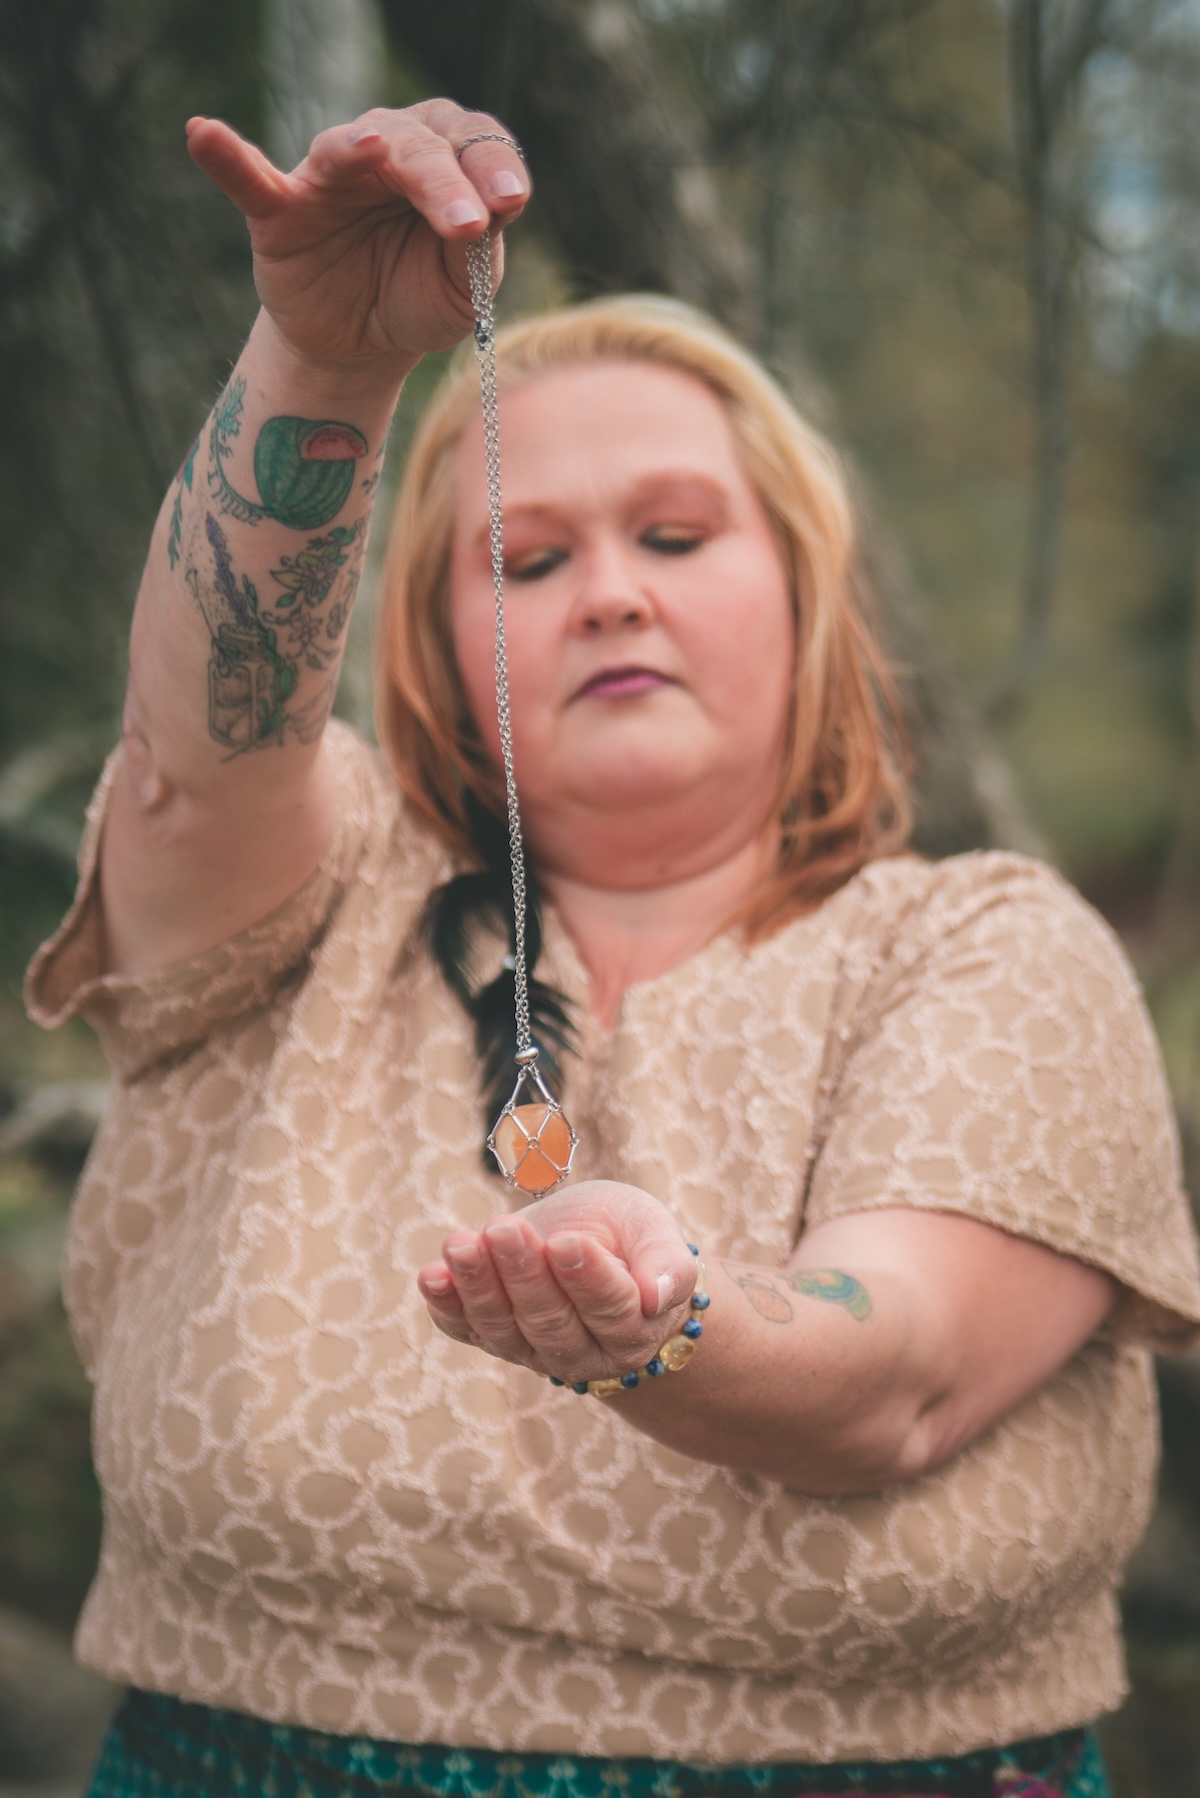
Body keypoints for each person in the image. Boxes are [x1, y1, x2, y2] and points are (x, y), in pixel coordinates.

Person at [26, 99, 1200, 1798]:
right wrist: (321, 359)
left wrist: (666, 1315)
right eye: (527, 553)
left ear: (807, 600)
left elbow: (896, 1381)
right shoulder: (311, 898)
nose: (610, 594)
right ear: (428, 637)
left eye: (675, 534)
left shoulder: (987, 946)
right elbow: (198, 758)